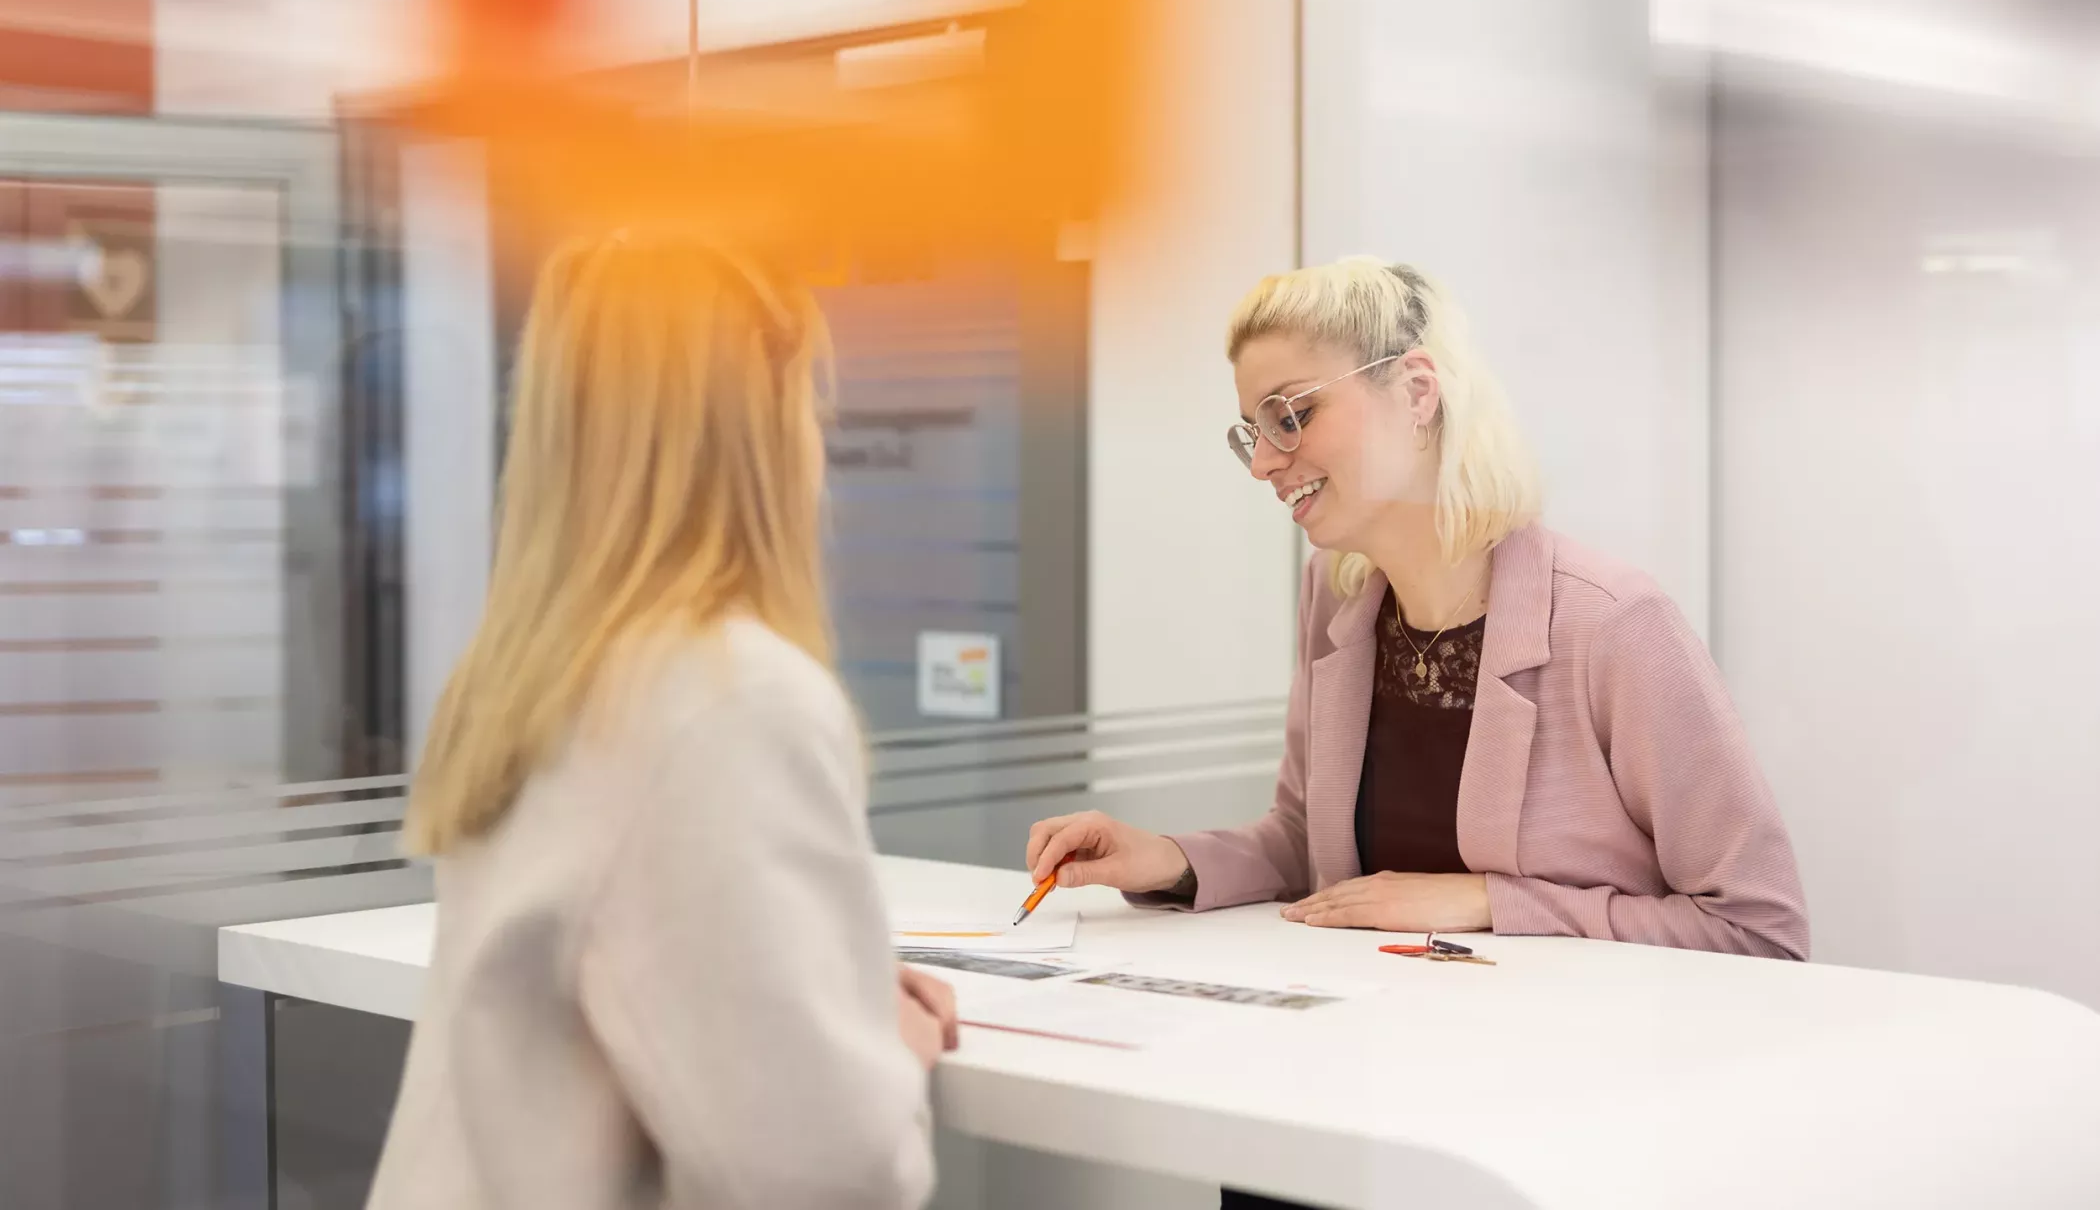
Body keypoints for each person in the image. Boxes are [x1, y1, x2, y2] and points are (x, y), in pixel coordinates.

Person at [367, 231, 949, 1210]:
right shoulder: (729, 696)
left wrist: (809, 1001)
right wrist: (881, 1045)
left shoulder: (529, 676)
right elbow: (823, 1170)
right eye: (811, 411)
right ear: (762, 431)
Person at [1028, 254, 1808, 953]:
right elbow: (1310, 844)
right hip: (1383, 1041)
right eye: (1251, 432)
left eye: (1290, 415)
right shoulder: (1334, 597)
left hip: (1571, 1056)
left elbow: (1758, 927)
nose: (1263, 462)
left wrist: (1489, 902)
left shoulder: (1612, 621)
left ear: (1416, 393)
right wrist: (1165, 859)